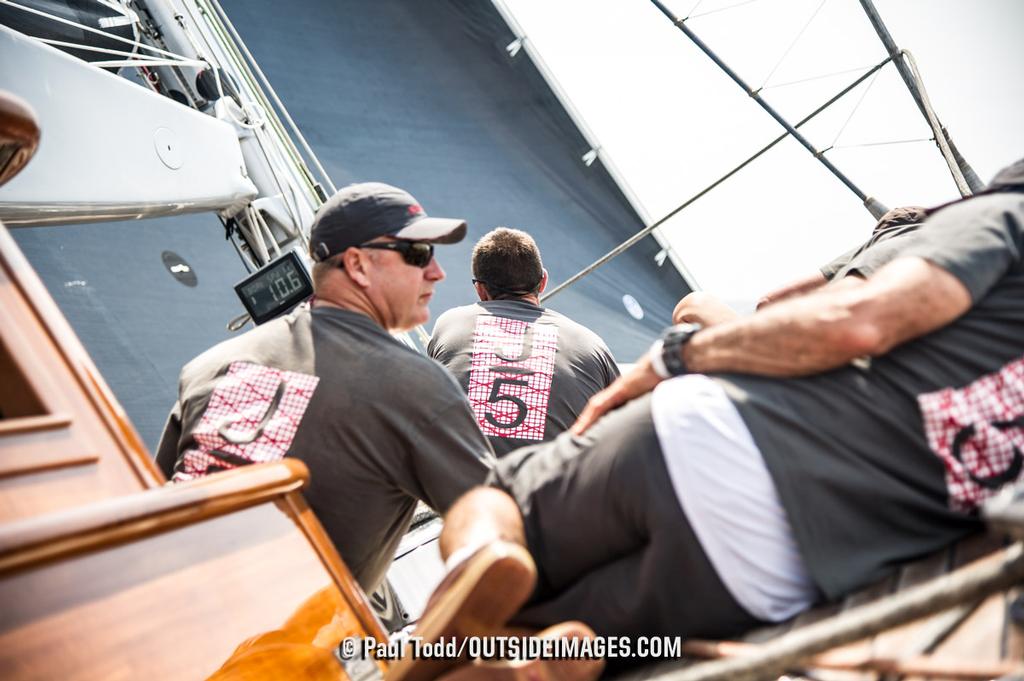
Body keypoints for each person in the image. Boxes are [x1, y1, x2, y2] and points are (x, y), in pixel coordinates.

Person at [404, 159, 1024, 677]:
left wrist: (680, 353)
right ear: (540, 281)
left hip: (713, 442)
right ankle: (549, 656)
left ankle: (481, 560)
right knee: (551, 647)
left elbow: (851, 320)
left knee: (496, 501)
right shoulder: (587, 344)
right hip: (768, 575)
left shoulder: (1002, 220)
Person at [155, 182, 496, 593]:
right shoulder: (412, 386)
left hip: (152, 623)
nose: (437, 272)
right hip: (286, 651)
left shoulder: (208, 367)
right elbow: (500, 533)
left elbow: (155, 508)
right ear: (357, 265)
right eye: (418, 253)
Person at [427, 228, 619, 456]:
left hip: (460, 487)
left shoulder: (451, 324)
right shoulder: (590, 346)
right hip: (550, 487)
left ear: (480, 290)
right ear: (543, 281)